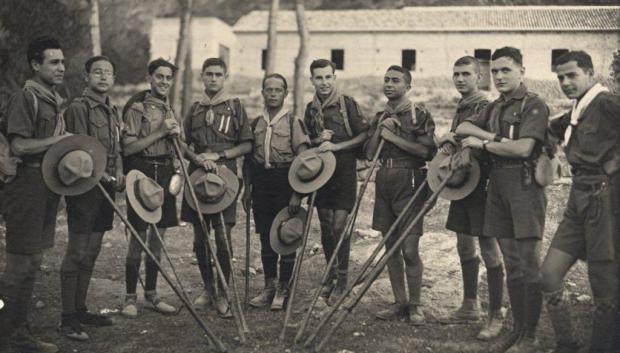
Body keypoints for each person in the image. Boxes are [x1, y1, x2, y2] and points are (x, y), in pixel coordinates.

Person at [457, 46, 550, 353]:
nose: (498, 76)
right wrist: (496, 140)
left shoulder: (534, 105)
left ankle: (531, 334)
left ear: (521, 70)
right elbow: (463, 127)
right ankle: (518, 329)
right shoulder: (495, 106)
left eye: (505, 70)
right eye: (494, 71)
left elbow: (524, 149)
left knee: (528, 263)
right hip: (498, 186)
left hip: (524, 187)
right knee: (511, 263)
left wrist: (488, 142)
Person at [541, 50, 619, 353]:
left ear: (590, 73)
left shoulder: (607, 103)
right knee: (548, 274)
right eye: (560, 77)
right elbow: (550, 130)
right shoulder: (578, 109)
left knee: (605, 289)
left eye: (572, 75)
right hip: (578, 200)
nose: (565, 82)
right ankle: (567, 345)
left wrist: (615, 162)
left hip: (606, 201)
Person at [0, 36, 71, 353]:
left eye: (63, 62)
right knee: (18, 264)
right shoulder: (26, 97)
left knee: (32, 263)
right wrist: (60, 142)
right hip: (26, 186)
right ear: (35, 64)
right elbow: (19, 146)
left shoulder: (53, 99)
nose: (61, 68)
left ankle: (18, 333)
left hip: (46, 187)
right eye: (53, 62)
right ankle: (9, 335)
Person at [435, 56, 504, 339]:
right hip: (462, 183)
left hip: (484, 183)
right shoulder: (463, 105)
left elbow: (496, 140)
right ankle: (469, 304)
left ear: (479, 77)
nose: (460, 79)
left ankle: (496, 313)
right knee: (464, 244)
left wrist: (468, 142)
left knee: (488, 245)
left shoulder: (487, 105)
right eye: (456, 74)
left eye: (466, 74)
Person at [180, 57, 253, 318]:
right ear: (202, 76)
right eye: (209, 74)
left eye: (218, 74)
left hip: (225, 176)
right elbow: (182, 144)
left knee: (222, 237)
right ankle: (208, 289)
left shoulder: (235, 107)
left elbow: (247, 144)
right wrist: (197, 158)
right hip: (197, 176)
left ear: (225, 77)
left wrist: (219, 157)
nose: (213, 78)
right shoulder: (195, 108)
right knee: (200, 239)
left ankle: (223, 292)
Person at [59, 55, 124, 340]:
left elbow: (116, 149)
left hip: (107, 186)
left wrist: (118, 173)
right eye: (97, 72)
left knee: (93, 250)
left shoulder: (112, 110)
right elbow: (79, 150)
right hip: (85, 187)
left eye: (108, 73)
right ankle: (67, 317)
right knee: (77, 251)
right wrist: (104, 176)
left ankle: (81, 308)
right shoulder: (79, 107)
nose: (103, 77)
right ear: (86, 77)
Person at [365, 65, 435, 324]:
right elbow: (370, 153)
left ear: (408, 86)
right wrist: (382, 129)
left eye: (395, 80)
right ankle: (399, 302)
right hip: (384, 180)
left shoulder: (419, 115)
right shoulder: (379, 115)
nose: (389, 84)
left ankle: (415, 305)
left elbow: (426, 153)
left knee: (409, 248)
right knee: (390, 247)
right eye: (386, 80)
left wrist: (393, 137)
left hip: (411, 180)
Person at [303, 59, 369, 305]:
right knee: (326, 225)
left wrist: (337, 145)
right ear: (311, 80)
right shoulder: (311, 109)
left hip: (344, 171)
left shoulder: (346, 104)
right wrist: (317, 139)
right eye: (318, 78)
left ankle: (343, 280)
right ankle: (331, 272)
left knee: (340, 226)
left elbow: (364, 134)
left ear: (335, 77)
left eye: (328, 77)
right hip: (321, 173)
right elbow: (306, 140)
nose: (324, 82)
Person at [121, 58, 181, 318]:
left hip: (165, 172)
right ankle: (130, 298)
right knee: (138, 238)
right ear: (150, 78)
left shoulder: (169, 108)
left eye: (168, 78)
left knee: (158, 240)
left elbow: (175, 142)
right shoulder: (137, 107)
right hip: (142, 172)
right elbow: (128, 148)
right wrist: (159, 132)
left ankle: (153, 295)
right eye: (160, 77)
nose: (164, 82)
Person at [243, 73, 309, 310]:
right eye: (268, 90)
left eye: (277, 90)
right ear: (262, 92)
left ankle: (283, 287)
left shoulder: (293, 122)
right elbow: (249, 160)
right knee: (265, 238)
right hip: (261, 182)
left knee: (286, 234)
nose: (272, 94)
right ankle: (269, 286)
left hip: (285, 181)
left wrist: (297, 194)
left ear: (285, 93)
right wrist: (247, 189)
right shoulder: (255, 123)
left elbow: (303, 162)